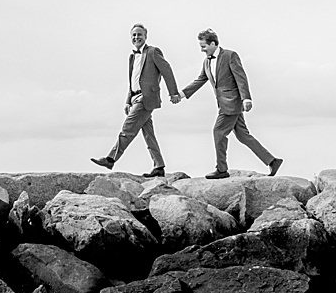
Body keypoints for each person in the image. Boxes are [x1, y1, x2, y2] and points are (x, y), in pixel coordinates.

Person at [181, 29, 283, 179]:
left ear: (213, 43)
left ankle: (221, 169)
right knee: (243, 135)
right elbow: (200, 80)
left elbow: (240, 77)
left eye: (203, 46)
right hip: (223, 103)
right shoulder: (206, 61)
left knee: (218, 132)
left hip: (231, 103)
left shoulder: (230, 55)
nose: (201, 49)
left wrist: (246, 98)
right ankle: (272, 161)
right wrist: (182, 94)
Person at [91, 24, 182, 177]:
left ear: (145, 36)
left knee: (128, 128)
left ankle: (111, 159)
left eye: (139, 34)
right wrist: (128, 101)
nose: (136, 37)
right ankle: (159, 166)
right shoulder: (132, 56)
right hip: (135, 98)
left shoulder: (153, 52)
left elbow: (166, 70)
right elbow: (132, 81)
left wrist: (173, 93)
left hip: (146, 97)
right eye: (133, 35)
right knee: (148, 134)